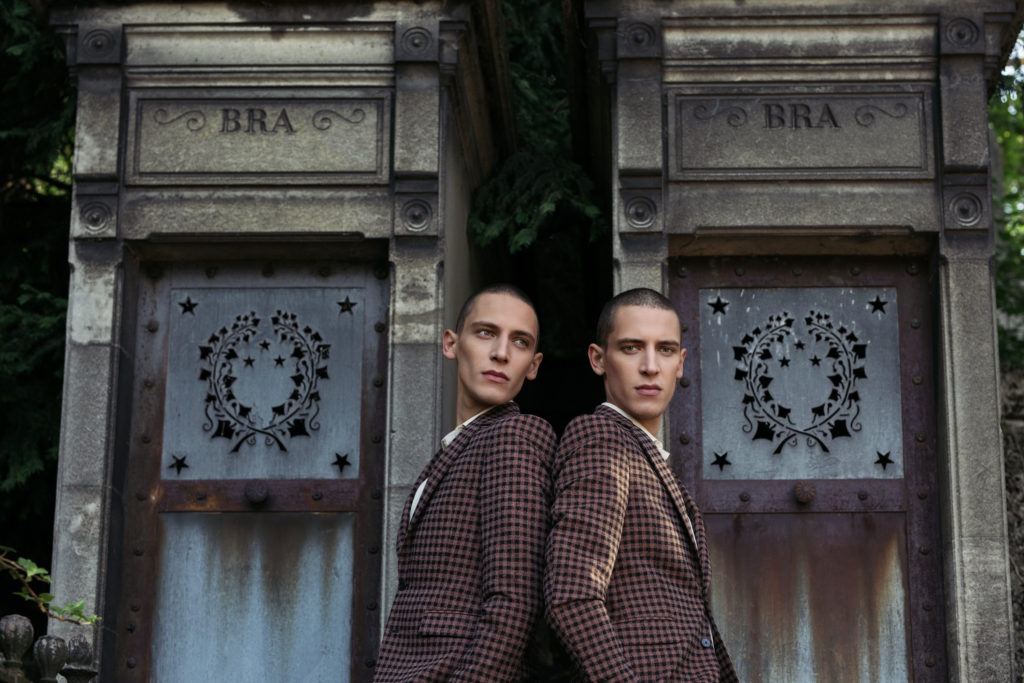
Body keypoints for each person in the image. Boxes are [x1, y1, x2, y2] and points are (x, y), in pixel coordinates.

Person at [544, 288, 737, 682]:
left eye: (665, 350)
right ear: (598, 359)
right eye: (631, 348)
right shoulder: (601, 439)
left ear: (680, 363)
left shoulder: (647, 456)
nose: (650, 366)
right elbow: (571, 595)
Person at [374, 284, 557, 682]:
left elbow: (514, 601)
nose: (501, 353)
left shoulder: (516, 437)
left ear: (533, 365)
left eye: (520, 342)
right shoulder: (452, 452)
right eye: (486, 333)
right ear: (451, 343)